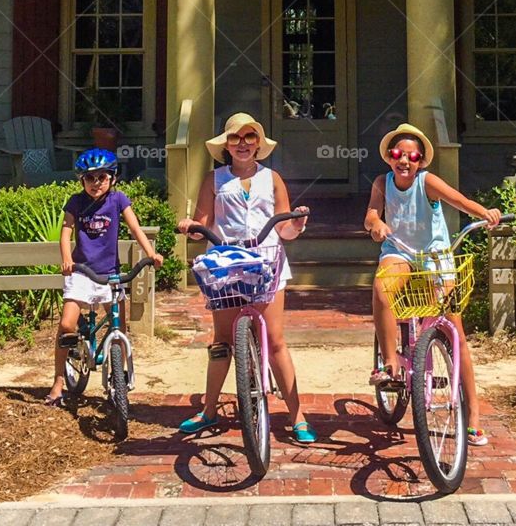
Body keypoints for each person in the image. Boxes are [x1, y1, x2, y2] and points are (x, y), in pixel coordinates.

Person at [176, 111, 316, 443]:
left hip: (267, 261)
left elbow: (284, 226)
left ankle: (297, 416)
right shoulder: (214, 180)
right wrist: (191, 228)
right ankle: (209, 410)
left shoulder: (273, 179)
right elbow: (203, 223)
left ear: (258, 144)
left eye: (249, 137)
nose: (243, 144)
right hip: (227, 262)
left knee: (275, 340)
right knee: (221, 341)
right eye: (236, 138)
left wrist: (296, 223)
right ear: (226, 145)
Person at [364, 123, 501, 446]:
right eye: (398, 154)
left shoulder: (428, 182)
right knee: (382, 289)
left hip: (436, 259)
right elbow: (370, 215)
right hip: (399, 252)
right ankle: (390, 364)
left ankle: (475, 415)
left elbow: (460, 201)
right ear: (389, 157)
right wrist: (377, 225)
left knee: (455, 334)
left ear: (421, 160)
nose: (404, 161)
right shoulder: (382, 183)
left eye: (412, 156)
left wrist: (486, 214)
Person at [44, 147, 164, 407]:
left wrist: (151, 253)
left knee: (118, 323)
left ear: (112, 178)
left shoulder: (119, 200)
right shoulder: (76, 202)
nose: (96, 183)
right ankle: (58, 381)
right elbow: (66, 233)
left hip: (110, 273)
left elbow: (135, 228)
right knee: (67, 325)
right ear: (82, 181)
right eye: (90, 178)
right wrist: (67, 259)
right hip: (82, 271)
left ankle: (116, 378)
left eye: (102, 177)